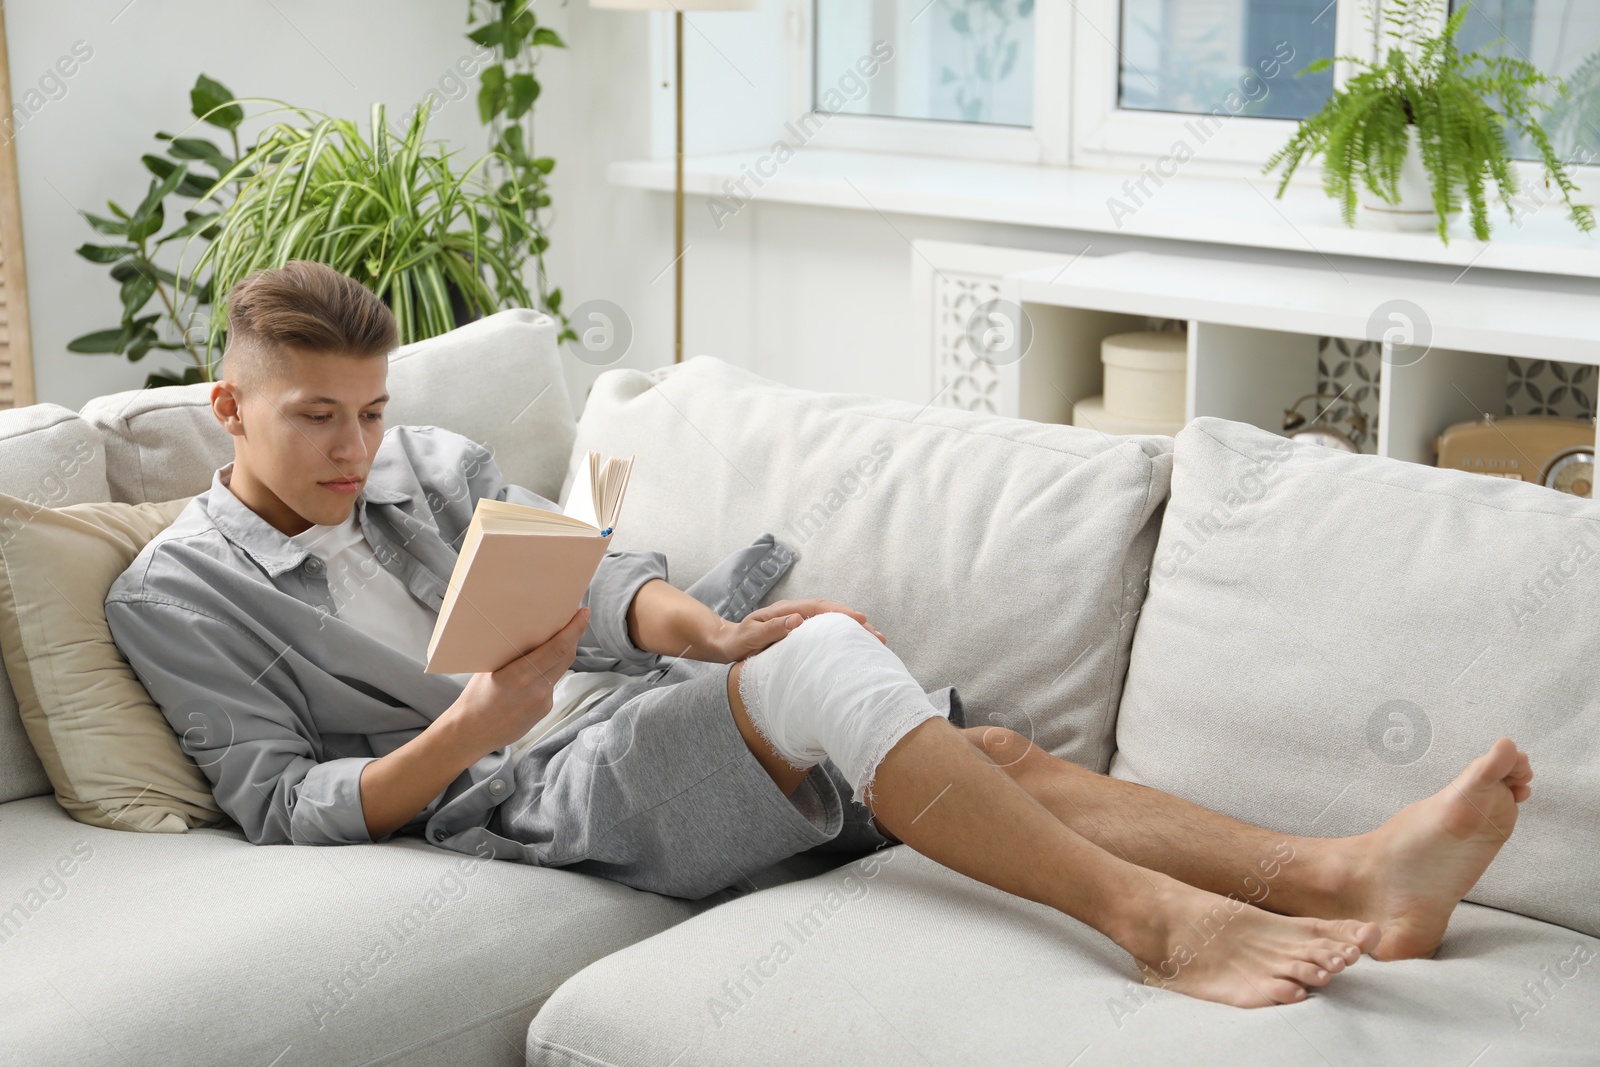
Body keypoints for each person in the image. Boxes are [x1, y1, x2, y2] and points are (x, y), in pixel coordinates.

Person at [106, 261, 1534, 1010]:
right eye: (318, 418)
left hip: (626, 705)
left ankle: (1348, 875)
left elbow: (600, 578)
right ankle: (1160, 924)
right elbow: (284, 805)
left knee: (959, 753)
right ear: (230, 410)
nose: (359, 445)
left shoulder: (421, 463)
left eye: (370, 410)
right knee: (841, 683)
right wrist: (479, 721)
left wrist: (710, 633)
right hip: (512, 797)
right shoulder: (173, 596)